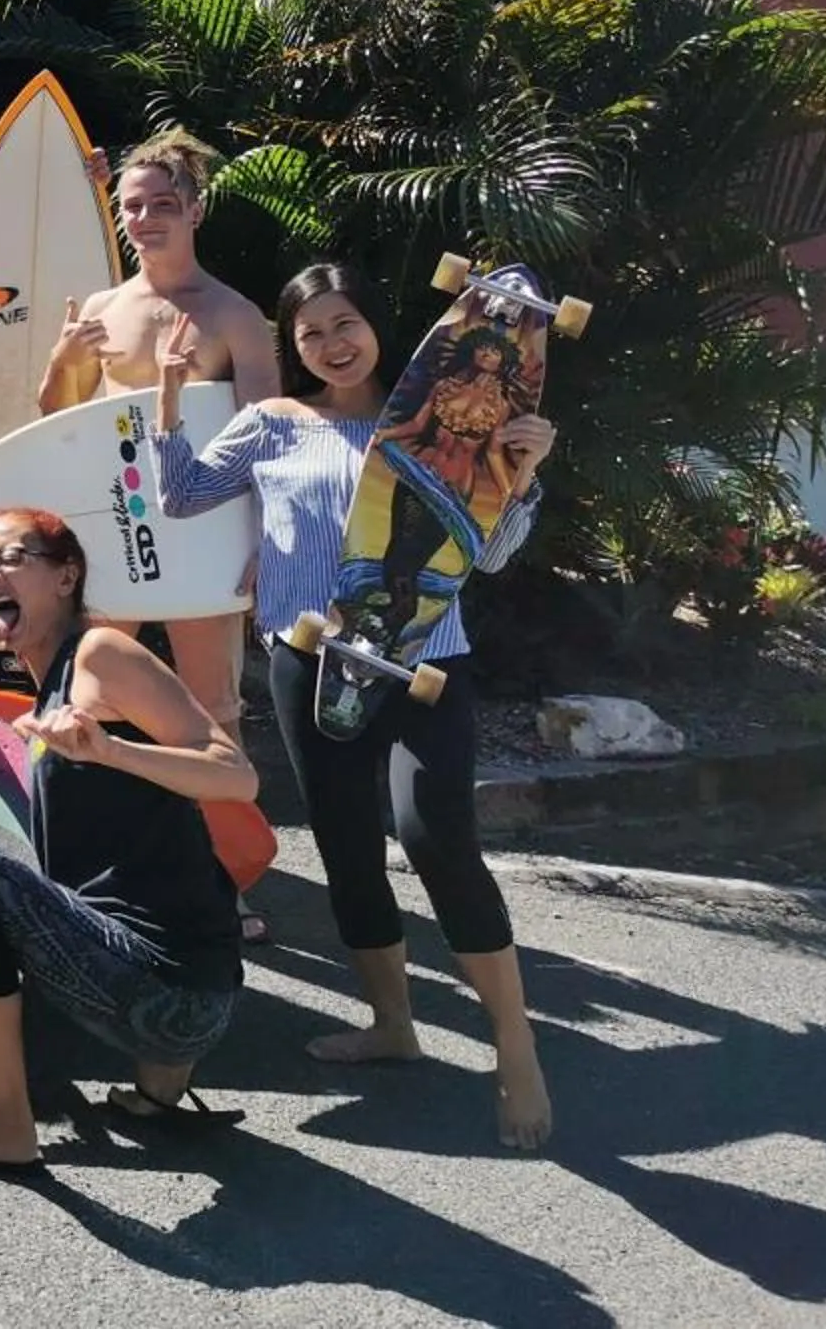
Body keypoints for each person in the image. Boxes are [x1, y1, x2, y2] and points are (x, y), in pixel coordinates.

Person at [154, 263, 559, 1150]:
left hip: (426, 662)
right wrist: (172, 391)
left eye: (347, 324)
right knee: (345, 847)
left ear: (382, 330)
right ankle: (392, 1026)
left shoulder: (442, 425)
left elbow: (487, 558)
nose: (333, 345)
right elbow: (180, 497)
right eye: (311, 334)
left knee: (434, 834)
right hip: (309, 659)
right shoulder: (270, 426)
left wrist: (520, 473)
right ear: (293, 348)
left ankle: (515, 1044)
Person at [0, 508, 256, 1174]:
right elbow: (4, 779)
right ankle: (157, 1091)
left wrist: (111, 752)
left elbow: (235, 775)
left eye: (10, 557)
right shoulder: (53, 694)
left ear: (67, 575)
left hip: (172, 996)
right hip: (178, 1004)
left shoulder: (102, 654)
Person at [37, 127, 280, 738]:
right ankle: (108, 825)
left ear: (195, 211)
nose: (145, 219)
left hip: (207, 520)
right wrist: (61, 362)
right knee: (93, 695)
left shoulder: (233, 315)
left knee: (214, 708)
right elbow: (57, 421)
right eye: (133, 207)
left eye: (163, 205)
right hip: (116, 511)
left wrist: (265, 541)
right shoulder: (100, 308)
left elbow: (270, 440)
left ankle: (224, 831)